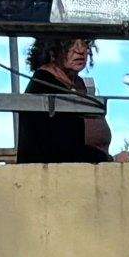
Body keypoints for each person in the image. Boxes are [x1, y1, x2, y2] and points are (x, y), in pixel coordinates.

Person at [14, 32, 112, 165]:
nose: (80, 50)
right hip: (53, 179)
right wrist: (108, 160)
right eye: (70, 43)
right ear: (52, 48)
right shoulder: (44, 87)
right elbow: (63, 150)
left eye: (84, 42)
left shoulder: (78, 85)